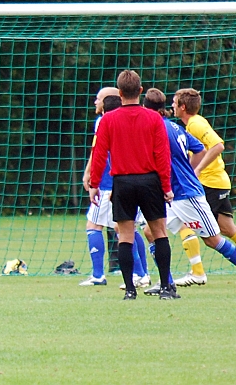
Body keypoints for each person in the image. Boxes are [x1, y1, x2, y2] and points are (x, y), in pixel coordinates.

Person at [143, 89, 236, 295]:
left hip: (187, 194)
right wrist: (190, 169)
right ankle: (166, 284)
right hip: (173, 194)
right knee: (150, 232)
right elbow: (200, 149)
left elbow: (209, 148)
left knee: (213, 239)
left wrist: (190, 173)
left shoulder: (159, 129)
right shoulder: (177, 128)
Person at [170, 88, 236, 287]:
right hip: (217, 181)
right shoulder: (190, 124)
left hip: (210, 183)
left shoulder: (195, 123)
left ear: (183, 107)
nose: (172, 106)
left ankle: (197, 272)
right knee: (227, 228)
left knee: (186, 222)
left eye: (174, 102)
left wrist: (198, 169)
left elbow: (218, 145)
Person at [89, 70, 177, 300]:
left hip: (122, 182)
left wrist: (94, 184)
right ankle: (166, 287)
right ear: (140, 91)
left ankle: (130, 290)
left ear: (119, 93)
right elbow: (162, 155)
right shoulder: (154, 118)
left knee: (125, 236)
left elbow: (99, 154)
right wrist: (166, 186)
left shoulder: (108, 119)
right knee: (159, 232)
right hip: (149, 181)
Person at [81, 88, 121, 279]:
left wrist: (91, 175)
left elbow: (99, 151)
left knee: (94, 225)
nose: (95, 103)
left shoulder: (103, 121)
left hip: (107, 182)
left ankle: (98, 276)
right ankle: (141, 273)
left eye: (98, 99)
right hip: (126, 180)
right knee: (127, 228)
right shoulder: (125, 119)